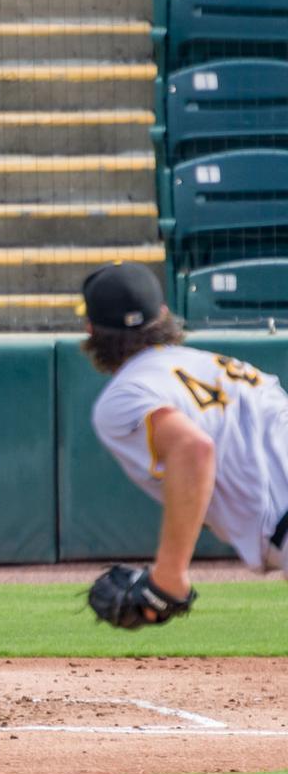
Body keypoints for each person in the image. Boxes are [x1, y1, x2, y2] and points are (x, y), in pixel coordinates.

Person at [81, 261, 288, 626]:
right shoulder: (225, 366)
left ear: (90, 331)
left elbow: (193, 449)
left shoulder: (126, 395)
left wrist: (169, 576)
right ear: (164, 315)